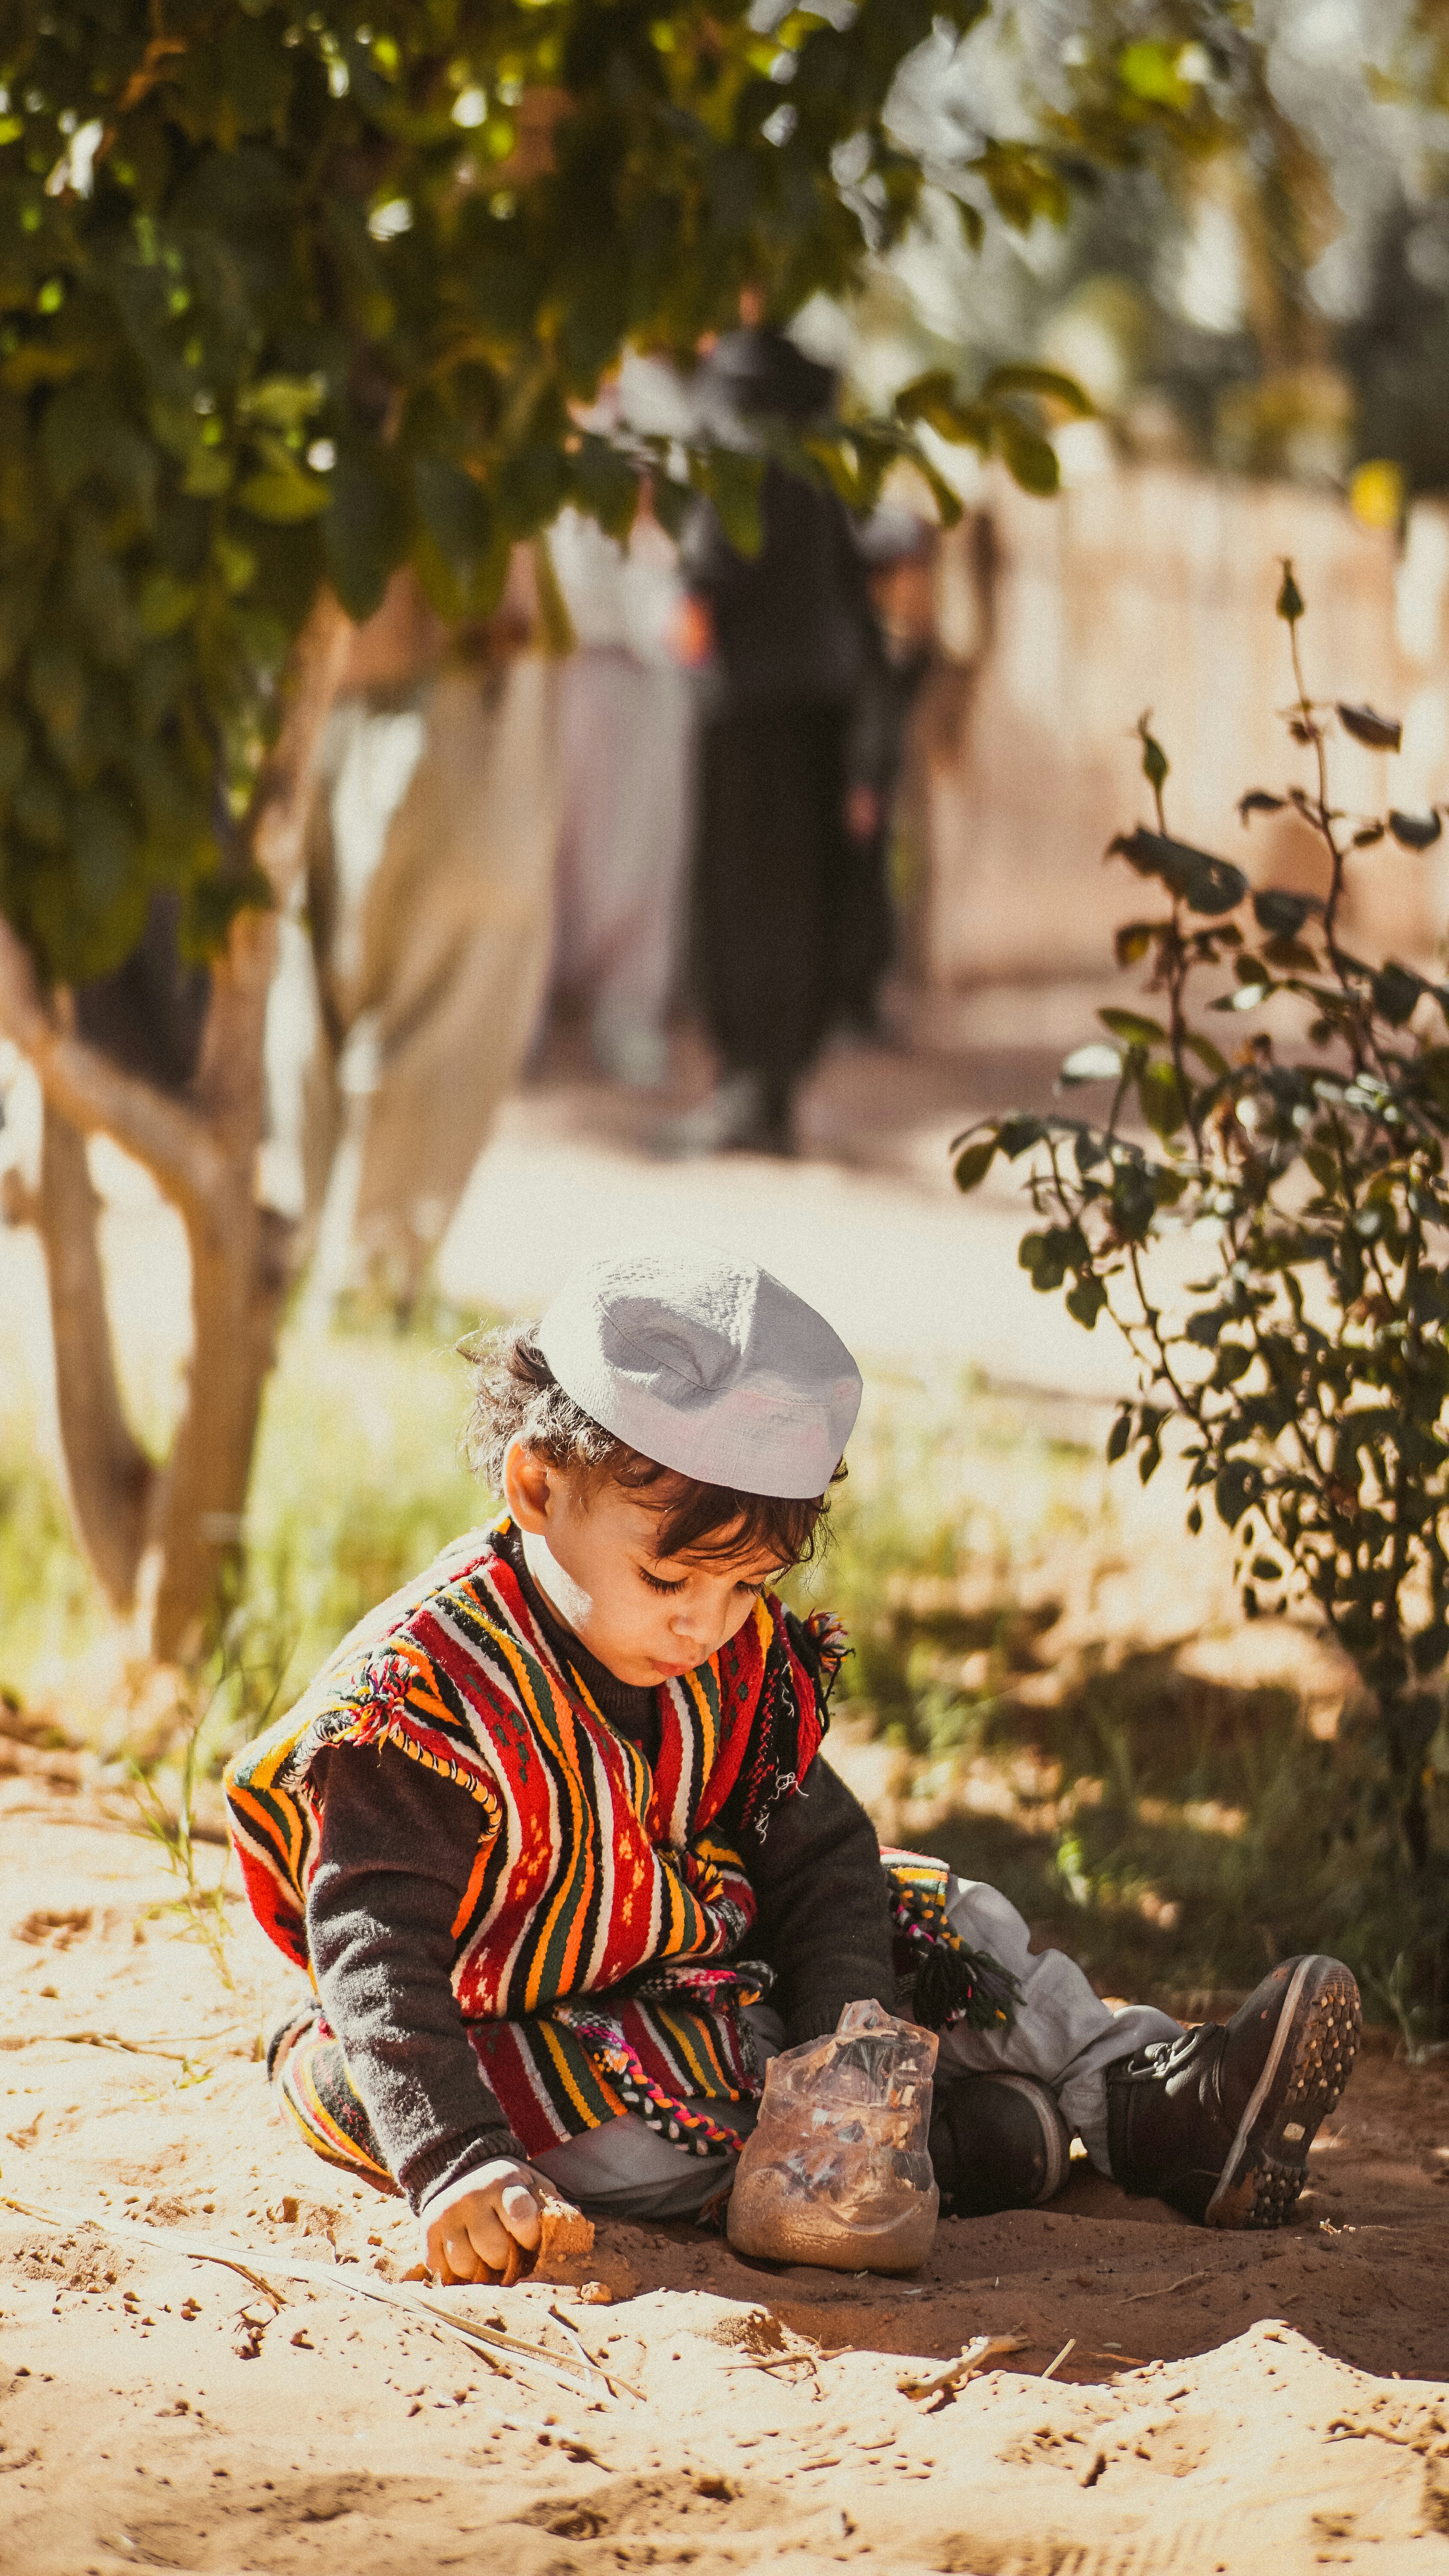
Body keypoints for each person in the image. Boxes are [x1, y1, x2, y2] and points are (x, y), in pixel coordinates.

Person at [226, 1245, 1361, 2284]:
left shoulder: (733, 1660)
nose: (707, 1628)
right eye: (671, 1583)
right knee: (611, 2136)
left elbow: (816, 1852)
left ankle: (1156, 2103)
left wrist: (846, 2050)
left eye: (749, 1588)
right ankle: (945, 2156)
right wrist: (457, 2163)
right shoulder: (424, 1701)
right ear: (535, 1489)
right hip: (502, 2028)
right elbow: (375, 1954)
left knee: (939, 1917)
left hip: (694, 1964)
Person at [661, 328, 880, 1157]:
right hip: (822, 696)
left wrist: (692, 613)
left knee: (743, 893)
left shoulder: (742, 429)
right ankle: (774, 1092)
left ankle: (746, 1090)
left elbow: (714, 559)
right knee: (801, 895)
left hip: (749, 700)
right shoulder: (822, 446)